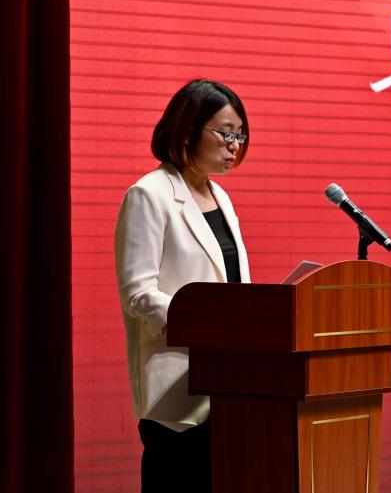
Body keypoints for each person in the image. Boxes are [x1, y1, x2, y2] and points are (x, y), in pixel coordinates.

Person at [114, 79, 251, 492]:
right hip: (179, 390)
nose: (235, 146)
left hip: (229, 386)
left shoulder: (221, 197)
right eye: (226, 133)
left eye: (240, 135)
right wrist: (205, 324)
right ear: (188, 130)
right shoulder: (149, 194)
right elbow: (138, 293)